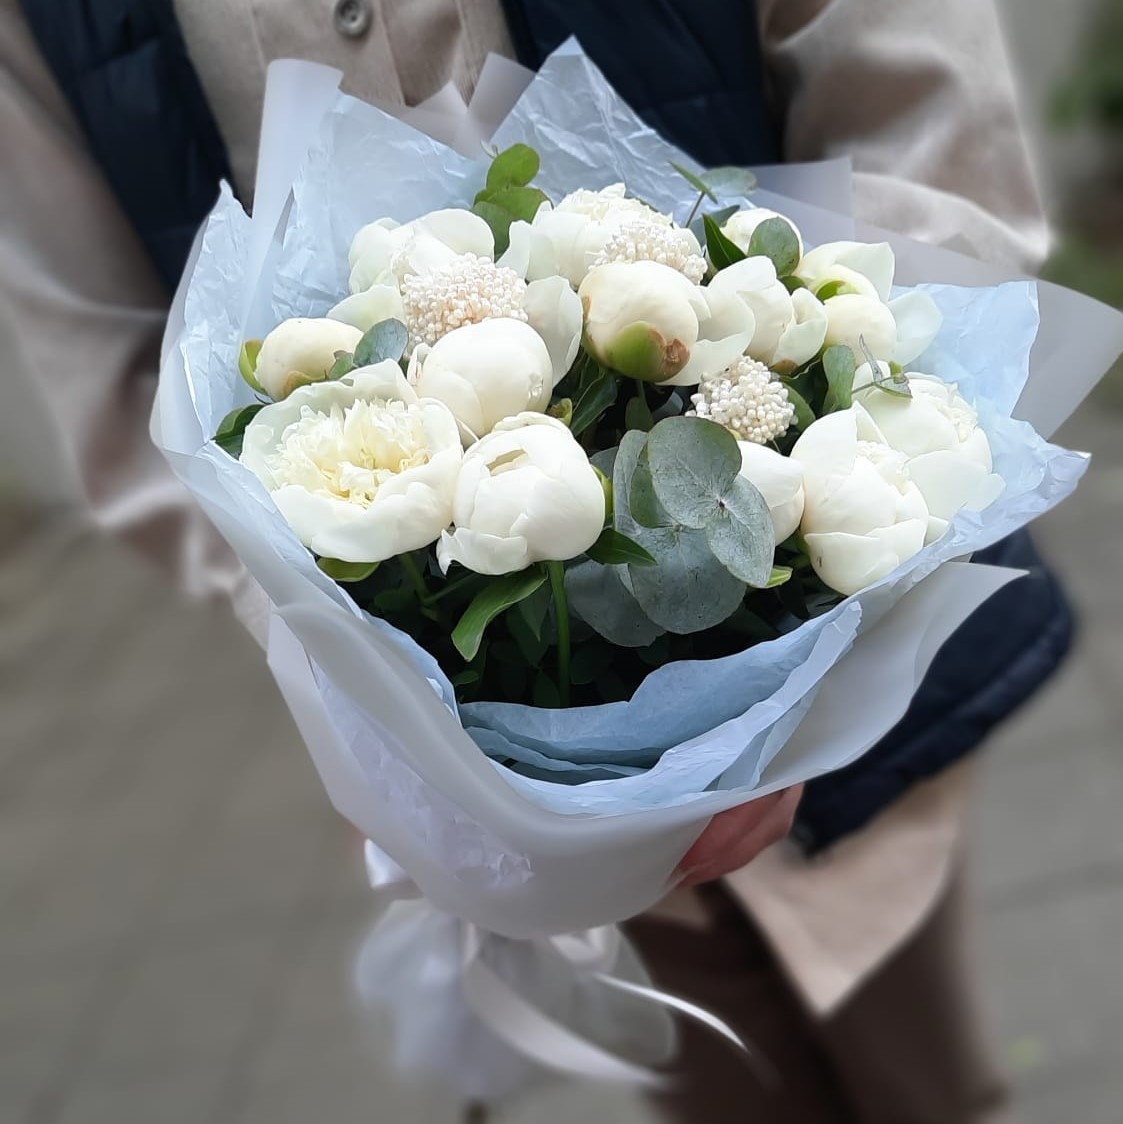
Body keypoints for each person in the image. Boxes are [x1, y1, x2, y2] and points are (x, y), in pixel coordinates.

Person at [0, 1, 1063, 1120]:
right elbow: (113, 369)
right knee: (719, 1082)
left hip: (849, 652)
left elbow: (925, 126)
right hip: (484, 750)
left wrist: (811, 654)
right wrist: (348, 686)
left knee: (916, 1067)